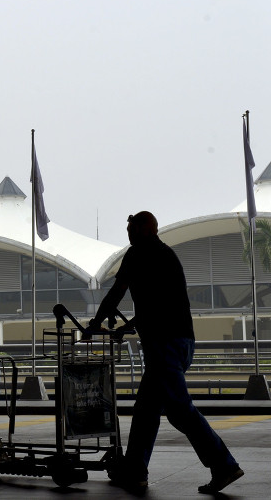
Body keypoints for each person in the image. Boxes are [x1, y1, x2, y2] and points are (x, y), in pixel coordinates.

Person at [89, 211, 243, 493]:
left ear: (146, 229)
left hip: (164, 345)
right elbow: (160, 305)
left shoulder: (137, 254)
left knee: (180, 411)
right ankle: (135, 471)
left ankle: (224, 465)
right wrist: (129, 326)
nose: (129, 233)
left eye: (133, 228)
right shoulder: (167, 255)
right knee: (147, 410)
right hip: (182, 342)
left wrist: (95, 324)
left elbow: (116, 292)